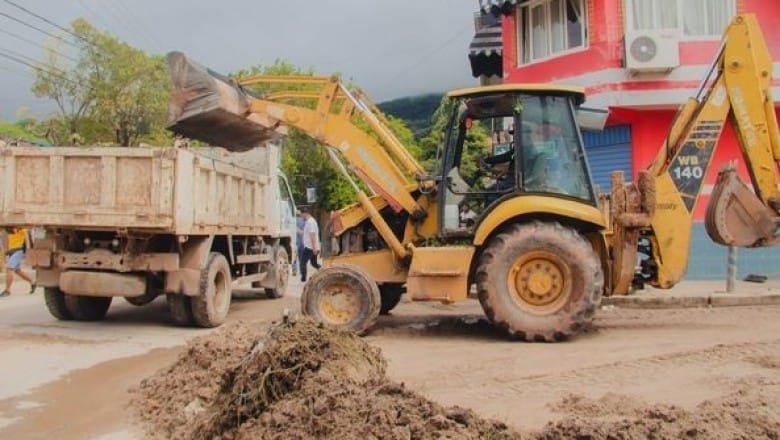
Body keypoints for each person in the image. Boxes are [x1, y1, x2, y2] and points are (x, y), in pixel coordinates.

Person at [2, 227, 35, 297]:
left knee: (9, 268)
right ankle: (32, 282)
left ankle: (7, 290)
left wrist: (28, 252)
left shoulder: (23, 229)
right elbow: (6, 242)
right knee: (17, 271)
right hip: (11, 251)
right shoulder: (9, 229)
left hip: (18, 251)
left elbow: (27, 242)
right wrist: (5, 254)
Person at [299, 208, 321, 282]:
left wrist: (314, 248)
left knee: (302, 263)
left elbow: (312, 235)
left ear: (305, 213)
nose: (301, 217)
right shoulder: (310, 221)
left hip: (310, 247)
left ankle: (303, 278)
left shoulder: (310, 222)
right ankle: (323, 270)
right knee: (313, 263)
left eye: (301, 215)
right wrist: (299, 231)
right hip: (312, 247)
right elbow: (307, 234)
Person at [293, 210, 304, 277]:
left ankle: (294, 270)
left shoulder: (293, 221)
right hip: (302, 242)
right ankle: (301, 270)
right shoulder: (303, 221)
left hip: (294, 242)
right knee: (301, 258)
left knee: (294, 257)